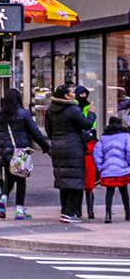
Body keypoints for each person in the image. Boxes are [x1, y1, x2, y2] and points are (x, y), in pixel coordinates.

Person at [0, 87, 50, 220]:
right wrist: (46, 147)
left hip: (4, 153)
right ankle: (19, 210)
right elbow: (35, 132)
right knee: (21, 179)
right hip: (20, 152)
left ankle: (3, 199)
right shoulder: (23, 114)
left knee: (9, 176)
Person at [47, 83, 97, 222]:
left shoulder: (51, 110)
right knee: (75, 180)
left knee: (64, 180)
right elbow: (86, 124)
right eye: (72, 92)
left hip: (58, 148)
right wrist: (92, 113)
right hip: (73, 147)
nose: (75, 94)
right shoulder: (73, 109)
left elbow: (48, 130)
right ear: (66, 95)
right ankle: (72, 213)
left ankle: (65, 211)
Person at [93, 117, 130, 223]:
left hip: (108, 170)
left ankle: (108, 214)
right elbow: (129, 151)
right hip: (122, 169)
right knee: (124, 191)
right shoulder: (126, 136)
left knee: (109, 192)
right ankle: (128, 212)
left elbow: (97, 153)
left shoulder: (104, 138)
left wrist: (100, 167)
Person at [78, 86, 101, 218]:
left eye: (85, 93)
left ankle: (89, 211)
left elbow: (91, 124)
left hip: (88, 141)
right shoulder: (75, 107)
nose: (83, 95)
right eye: (81, 93)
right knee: (84, 185)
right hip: (81, 144)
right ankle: (81, 211)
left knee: (88, 186)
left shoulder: (88, 108)